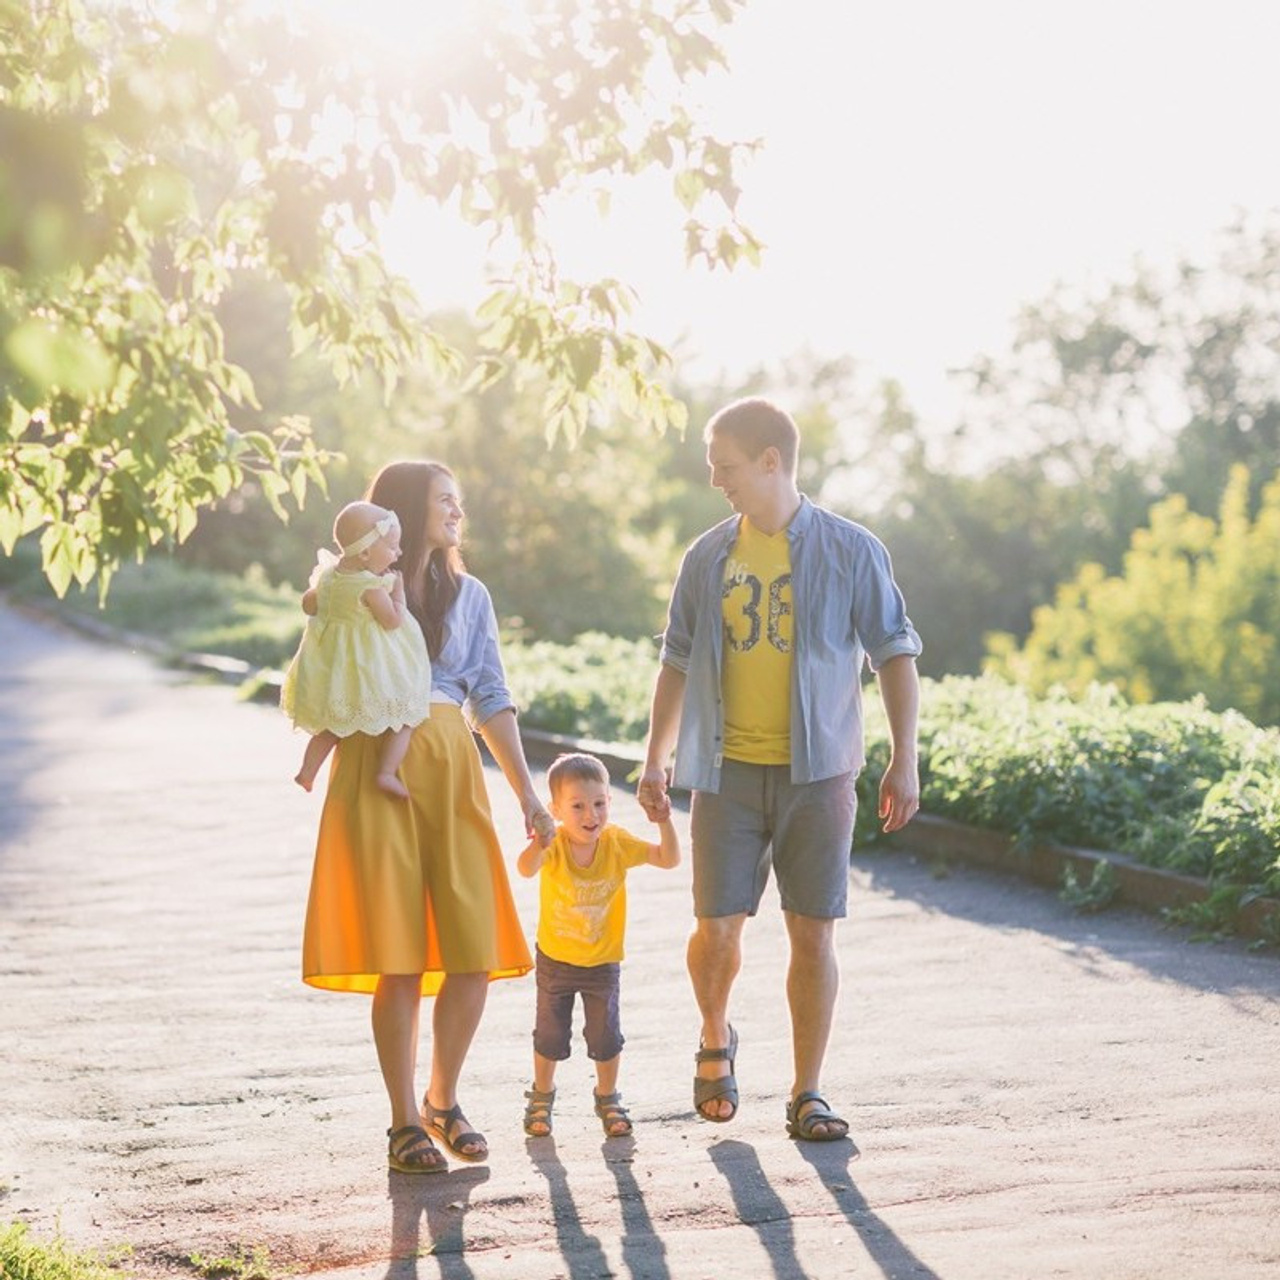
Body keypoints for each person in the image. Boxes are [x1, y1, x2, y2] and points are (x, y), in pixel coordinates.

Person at [637, 397, 922, 1144]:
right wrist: (654, 758)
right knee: (717, 931)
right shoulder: (707, 557)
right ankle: (714, 1032)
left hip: (820, 773)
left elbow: (895, 651)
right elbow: (674, 660)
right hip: (725, 773)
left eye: (725, 466)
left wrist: (904, 757)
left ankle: (807, 1093)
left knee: (813, 935)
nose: (715, 481)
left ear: (771, 461)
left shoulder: (851, 549)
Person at [301, 460, 553, 1175]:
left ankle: (444, 1097)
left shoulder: (470, 595)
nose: (457, 514)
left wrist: (529, 798)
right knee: (401, 956)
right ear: (403, 514)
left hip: (447, 762)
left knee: (473, 949)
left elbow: (492, 698)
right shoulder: (355, 588)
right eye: (446, 501)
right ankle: (404, 1120)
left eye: (459, 502)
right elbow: (318, 659)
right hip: (373, 765)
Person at [515, 752, 681, 1140]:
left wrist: (664, 821)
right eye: (577, 806)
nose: (591, 814)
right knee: (550, 1034)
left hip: (603, 961)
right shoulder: (554, 844)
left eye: (600, 803)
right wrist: (540, 839)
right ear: (556, 809)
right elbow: (524, 868)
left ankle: (607, 1096)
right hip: (556, 959)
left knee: (605, 1035)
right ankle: (542, 1094)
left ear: (609, 800)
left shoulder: (616, 842)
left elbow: (668, 859)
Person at [281, 501, 431, 799]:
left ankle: (307, 771)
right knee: (407, 716)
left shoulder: (327, 577)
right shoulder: (371, 588)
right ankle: (386, 773)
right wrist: (399, 594)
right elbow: (391, 621)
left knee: (332, 725)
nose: (398, 554)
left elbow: (308, 605)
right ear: (365, 553)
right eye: (392, 547)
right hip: (369, 670)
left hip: (336, 668)